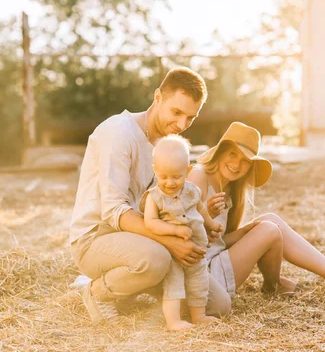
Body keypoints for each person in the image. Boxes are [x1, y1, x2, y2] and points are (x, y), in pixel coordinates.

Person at [70, 67, 225, 324]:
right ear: (157, 98)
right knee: (156, 259)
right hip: (96, 239)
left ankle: (128, 285)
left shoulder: (167, 149)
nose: (181, 124)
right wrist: (170, 242)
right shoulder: (119, 132)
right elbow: (113, 211)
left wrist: (195, 223)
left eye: (190, 118)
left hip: (144, 239)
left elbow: (163, 206)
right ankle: (97, 291)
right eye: (176, 112)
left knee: (217, 304)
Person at [187, 122, 325, 305]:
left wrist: (245, 231)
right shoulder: (199, 175)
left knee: (270, 220)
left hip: (214, 259)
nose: (237, 164)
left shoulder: (232, 188)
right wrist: (208, 215)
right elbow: (185, 230)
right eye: (232, 154)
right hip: (203, 273)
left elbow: (218, 241)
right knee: (269, 229)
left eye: (245, 161)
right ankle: (275, 284)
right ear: (219, 152)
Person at [140, 135, 222, 330]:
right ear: (155, 172)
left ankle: (198, 316)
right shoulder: (154, 197)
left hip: (197, 250)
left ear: (188, 171)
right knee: (174, 287)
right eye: (164, 176)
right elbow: (150, 222)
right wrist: (174, 229)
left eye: (176, 176)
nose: (169, 182)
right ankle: (173, 321)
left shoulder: (192, 190)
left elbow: (201, 210)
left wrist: (211, 224)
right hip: (172, 254)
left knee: (199, 284)